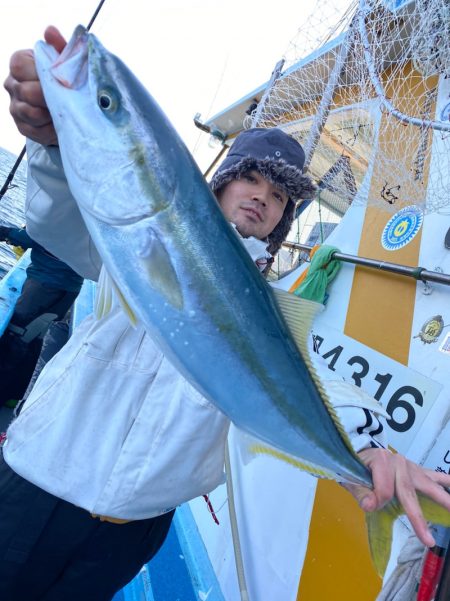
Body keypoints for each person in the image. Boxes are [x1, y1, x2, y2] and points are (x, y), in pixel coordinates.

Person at [2, 25, 450, 601]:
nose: (263, 196)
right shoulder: (131, 238)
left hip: (130, 533)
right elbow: (61, 216)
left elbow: (314, 378)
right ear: (218, 185)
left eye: (281, 196)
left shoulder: (271, 303)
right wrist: (55, 147)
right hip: (31, 484)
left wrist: (367, 449)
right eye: (251, 178)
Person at [0, 224, 83, 404]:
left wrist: (7, 233)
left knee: (17, 336)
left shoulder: (69, 213)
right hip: (67, 288)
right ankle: (16, 393)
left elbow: (39, 236)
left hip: (45, 285)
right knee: (33, 338)